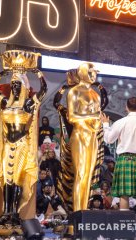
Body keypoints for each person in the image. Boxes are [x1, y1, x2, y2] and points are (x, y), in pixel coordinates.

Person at [0, 50, 47, 226]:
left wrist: (38, 74)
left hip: (22, 144)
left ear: (24, 86)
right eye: (13, 84)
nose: (15, 87)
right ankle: (6, 212)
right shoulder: (6, 103)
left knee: (17, 178)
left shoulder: (29, 104)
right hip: (8, 144)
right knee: (7, 179)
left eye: (18, 84)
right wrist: (1, 75)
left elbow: (44, 90)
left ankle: (15, 212)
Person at [53, 63, 108, 213]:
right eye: (90, 72)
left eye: (95, 72)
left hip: (93, 136)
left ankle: (83, 210)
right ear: (82, 72)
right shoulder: (74, 92)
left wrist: (97, 122)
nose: (93, 75)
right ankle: (77, 213)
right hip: (79, 135)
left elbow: (99, 114)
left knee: (89, 178)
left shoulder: (95, 94)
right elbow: (72, 117)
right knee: (80, 174)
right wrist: (92, 117)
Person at [101, 97, 136, 224]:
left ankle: (124, 222)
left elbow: (109, 139)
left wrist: (105, 125)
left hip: (125, 159)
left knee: (124, 192)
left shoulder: (121, 122)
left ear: (126, 108)